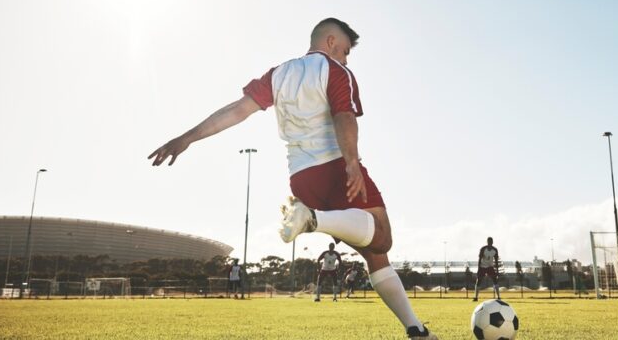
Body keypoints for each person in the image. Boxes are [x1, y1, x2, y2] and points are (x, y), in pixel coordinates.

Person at [148, 18, 436, 340]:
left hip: (300, 178)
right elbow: (344, 116)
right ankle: (312, 219)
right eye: (343, 50)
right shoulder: (336, 72)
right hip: (335, 166)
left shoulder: (279, 73)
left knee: (374, 254)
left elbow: (237, 111)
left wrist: (187, 138)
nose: (345, 58)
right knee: (382, 236)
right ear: (329, 42)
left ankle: (416, 329)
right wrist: (352, 163)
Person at [473, 237, 500, 301]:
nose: (490, 243)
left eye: (491, 242)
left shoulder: (495, 250)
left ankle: (498, 297)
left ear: (492, 242)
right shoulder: (483, 249)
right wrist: (479, 268)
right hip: (482, 266)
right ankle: (476, 297)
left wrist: (497, 271)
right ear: (487, 242)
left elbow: (496, 260)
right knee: (479, 281)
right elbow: (479, 259)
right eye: (488, 242)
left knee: (495, 280)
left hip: (490, 267)